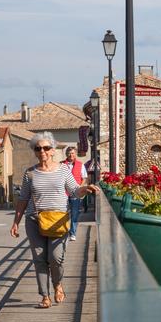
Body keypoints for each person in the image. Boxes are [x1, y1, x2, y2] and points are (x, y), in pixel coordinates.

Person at [10, 132, 100, 309]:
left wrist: (85, 189)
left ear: (53, 150)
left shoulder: (63, 170)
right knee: (39, 259)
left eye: (46, 148)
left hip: (58, 220)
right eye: (38, 148)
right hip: (35, 220)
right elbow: (23, 199)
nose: (42, 151)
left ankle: (57, 284)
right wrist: (16, 222)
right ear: (35, 151)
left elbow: (74, 191)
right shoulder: (30, 173)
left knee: (55, 258)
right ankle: (45, 296)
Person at [61, 147, 86, 240]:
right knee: (63, 213)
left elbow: (84, 178)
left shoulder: (80, 165)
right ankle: (63, 232)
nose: (71, 155)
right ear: (66, 154)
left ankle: (72, 233)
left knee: (74, 213)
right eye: (69, 153)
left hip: (76, 193)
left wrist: (80, 188)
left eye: (73, 153)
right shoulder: (61, 165)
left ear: (75, 154)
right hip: (63, 193)